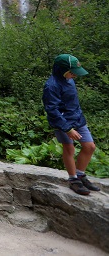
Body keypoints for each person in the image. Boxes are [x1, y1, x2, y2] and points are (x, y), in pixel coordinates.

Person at [42, 54, 101, 196]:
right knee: (69, 148)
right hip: (62, 122)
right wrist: (67, 128)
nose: (74, 75)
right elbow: (52, 110)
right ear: (61, 70)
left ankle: (81, 175)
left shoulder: (69, 80)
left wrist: (78, 119)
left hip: (77, 119)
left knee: (90, 146)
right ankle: (73, 179)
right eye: (72, 72)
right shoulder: (51, 86)